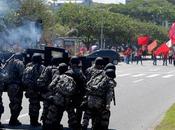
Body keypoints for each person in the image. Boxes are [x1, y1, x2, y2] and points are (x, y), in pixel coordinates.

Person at [22, 54, 45, 127]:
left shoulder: (27, 68)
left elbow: (23, 79)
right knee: (37, 106)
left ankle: (32, 121)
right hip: (37, 90)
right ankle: (35, 122)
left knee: (32, 105)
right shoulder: (41, 68)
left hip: (30, 90)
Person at [6, 53, 25, 126]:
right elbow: (22, 74)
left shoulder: (9, 63)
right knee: (17, 104)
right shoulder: (19, 63)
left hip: (9, 86)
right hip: (16, 86)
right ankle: (13, 120)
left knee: (12, 103)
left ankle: (13, 119)